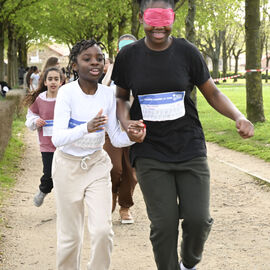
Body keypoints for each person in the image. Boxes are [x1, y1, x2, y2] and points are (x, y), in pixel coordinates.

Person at [111, 0, 254, 270]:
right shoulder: (128, 56)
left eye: (164, 17)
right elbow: (120, 97)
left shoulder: (187, 52)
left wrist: (239, 116)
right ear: (142, 17)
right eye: (152, 17)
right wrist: (126, 122)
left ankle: (189, 263)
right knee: (164, 224)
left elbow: (212, 92)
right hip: (150, 150)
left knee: (199, 219)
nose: (159, 26)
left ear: (173, 18)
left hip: (189, 147)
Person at [51, 39, 145, 270]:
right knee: (70, 237)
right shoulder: (66, 93)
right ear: (74, 65)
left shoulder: (108, 94)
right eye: (87, 59)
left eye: (99, 58)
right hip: (67, 167)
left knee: (103, 231)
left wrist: (132, 136)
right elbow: (57, 138)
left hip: (96, 165)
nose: (95, 62)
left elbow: (115, 136)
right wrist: (87, 127)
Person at [103, 34, 138, 224]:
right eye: (123, 49)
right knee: (113, 168)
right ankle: (112, 194)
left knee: (131, 173)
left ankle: (125, 207)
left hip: (133, 128)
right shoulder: (112, 71)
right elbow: (103, 89)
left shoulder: (143, 69)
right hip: (112, 128)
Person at [24, 67, 63, 207]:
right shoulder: (39, 100)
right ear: (45, 82)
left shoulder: (65, 99)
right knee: (49, 175)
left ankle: (63, 205)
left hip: (65, 144)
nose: (53, 82)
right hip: (47, 145)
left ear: (61, 82)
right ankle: (43, 190)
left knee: (64, 177)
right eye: (50, 79)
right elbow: (30, 117)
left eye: (56, 79)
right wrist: (35, 121)